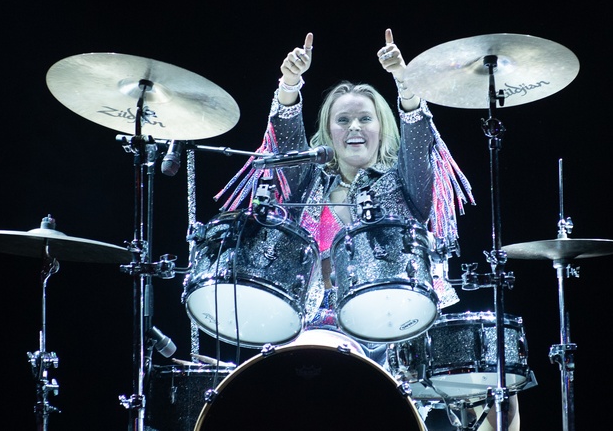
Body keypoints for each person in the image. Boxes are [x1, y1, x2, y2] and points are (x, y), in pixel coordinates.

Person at [215, 29, 520, 431]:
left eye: (364, 118)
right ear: (329, 133)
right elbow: (286, 141)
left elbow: (419, 140)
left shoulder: (404, 183)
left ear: (381, 128)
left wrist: (403, 80)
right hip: (320, 331)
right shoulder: (308, 184)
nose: (354, 127)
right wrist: (289, 84)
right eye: (343, 120)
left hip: (400, 333)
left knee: (499, 382)